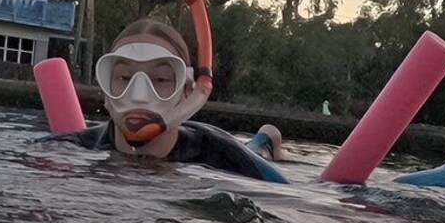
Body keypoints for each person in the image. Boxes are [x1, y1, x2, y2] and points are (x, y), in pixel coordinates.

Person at [58, 20, 287, 180]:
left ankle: (267, 137)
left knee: (254, 149)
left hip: (230, 145)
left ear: (188, 92)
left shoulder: (219, 152)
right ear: (105, 88)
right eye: (124, 77)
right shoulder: (73, 145)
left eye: (160, 79)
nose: (139, 96)